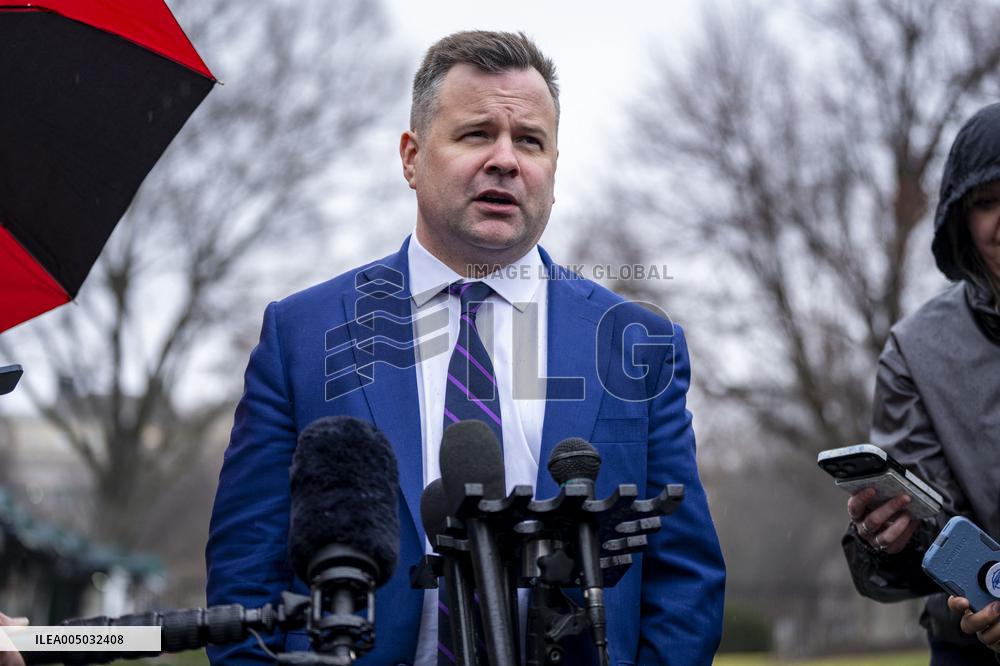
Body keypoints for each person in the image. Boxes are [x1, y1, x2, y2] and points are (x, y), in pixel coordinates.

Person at [206, 31, 725, 665]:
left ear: (553, 173)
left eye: (530, 141)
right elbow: (245, 570)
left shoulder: (633, 343)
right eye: (477, 133)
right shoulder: (302, 335)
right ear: (410, 156)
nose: (506, 160)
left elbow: (685, 580)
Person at [842, 102, 1000, 665]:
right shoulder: (916, 350)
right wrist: (890, 539)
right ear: (962, 220)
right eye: (986, 202)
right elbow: (938, 529)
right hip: (970, 646)